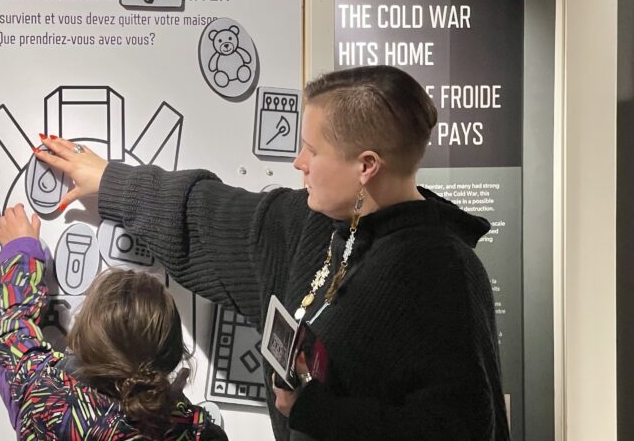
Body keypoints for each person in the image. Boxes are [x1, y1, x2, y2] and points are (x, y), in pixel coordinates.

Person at [34, 65, 510, 440]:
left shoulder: (445, 275)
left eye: (312, 150)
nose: (298, 162)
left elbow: (461, 430)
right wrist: (112, 183)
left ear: (366, 166)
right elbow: (207, 216)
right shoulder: (309, 225)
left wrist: (314, 409)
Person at [0, 203, 227, 440]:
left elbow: (7, 332)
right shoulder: (193, 430)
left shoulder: (43, 397)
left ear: (80, 335)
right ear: (174, 353)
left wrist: (21, 249)